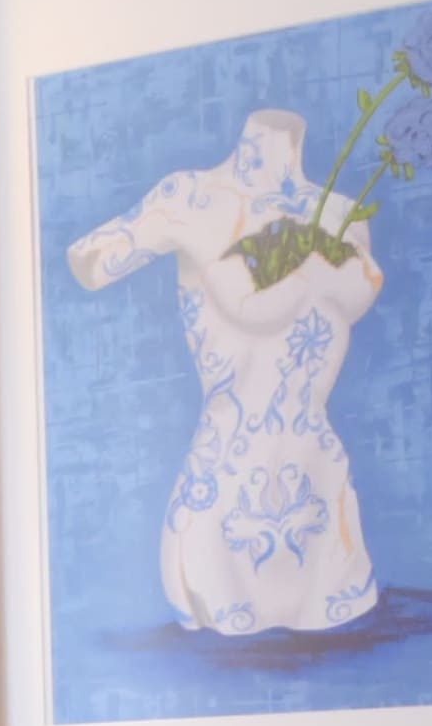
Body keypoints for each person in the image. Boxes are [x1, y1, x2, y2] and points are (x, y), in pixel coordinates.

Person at [65, 106, 383, 639]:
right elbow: (91, 262)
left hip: (321, 504)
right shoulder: (190, 200)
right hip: (223, 511)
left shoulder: (342, 216)